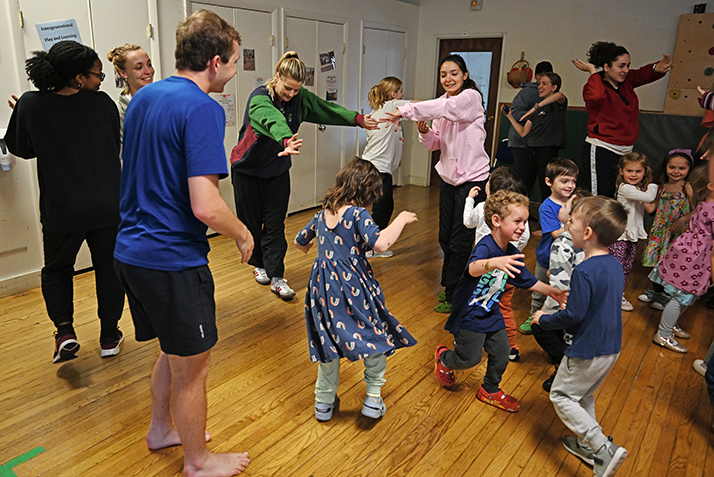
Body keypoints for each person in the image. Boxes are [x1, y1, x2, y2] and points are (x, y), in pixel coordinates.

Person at [113, 10, 253, 476]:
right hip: (171, 258)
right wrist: (243, 233)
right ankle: (198, 461)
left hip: (130, 253)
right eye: (234, 62)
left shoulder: (143, 98)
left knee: (172, 353)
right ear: (215, 62)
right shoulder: (203, 108)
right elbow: (206, 205)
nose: (234, 70)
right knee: (193, 367)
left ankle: (162, 430)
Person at [5, 40, 125, 363]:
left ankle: (65, 332)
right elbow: (114, 145)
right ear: (78, 78)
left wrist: (24, 115)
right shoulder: (103, 105)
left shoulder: (31, 104)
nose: (101, 80)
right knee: (109, 271)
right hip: (106, 207)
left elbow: (22, 148)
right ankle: (110, 336)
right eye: (97, 75)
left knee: (57, 270)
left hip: (62, 211)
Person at [230, 51, 378, 301]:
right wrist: (286, 139)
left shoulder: (300, 98)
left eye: (296, 90)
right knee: (251, 223)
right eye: (287, 88)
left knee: (275, 225)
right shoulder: (259, 99)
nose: (291, 94)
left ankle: (277, 277)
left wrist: (358, 119)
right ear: (276, 77)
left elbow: (325, 110)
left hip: (276, 172)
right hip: (246, 171)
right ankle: (260, 265)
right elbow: (273, 120)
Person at [294, 158, 418, 421]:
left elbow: (299, 243)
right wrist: (402, 219)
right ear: (367, 191)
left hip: (322, 290)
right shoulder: (358, 214)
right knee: (373, 335)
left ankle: (323, 403)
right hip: (353, 288)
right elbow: (381, 244)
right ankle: (373, 399)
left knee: (328, 340)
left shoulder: (321, 214)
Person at [434, 190, 567, 413]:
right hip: (470, 315)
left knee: (502, 353)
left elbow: (528, 280)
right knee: (469, 359)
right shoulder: (486, 246)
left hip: (491, 312)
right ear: (496, 221)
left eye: (525, 221)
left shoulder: (511, 252)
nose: (523, 227)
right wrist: (494, 263)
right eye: (517, 221)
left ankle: (490, 388)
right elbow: (473, 268)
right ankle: (444, 358)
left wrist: (553, 291)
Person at [382, 54, 490, 313]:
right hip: (449, 181)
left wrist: (404, 110)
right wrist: (424, 131)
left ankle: (457, 293)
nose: (448, 79)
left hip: (472, 181)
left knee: (461, 240)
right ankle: (450, 286)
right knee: (445, 238)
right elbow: (436, 143)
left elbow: (449, 109)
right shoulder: (442, 103)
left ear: (464, 75)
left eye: (454, 73)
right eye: (443, 75)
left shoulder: (471, 98)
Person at [532, 195, 628, 477]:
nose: (567, 225)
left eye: (571, 221)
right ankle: (589, 446)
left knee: (561, 395)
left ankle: (601, 448)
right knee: (584, 396)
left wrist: (543, 319)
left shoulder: (584, 270)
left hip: (586, 348)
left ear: (586, 233)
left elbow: (573, 316)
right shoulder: (613, 264)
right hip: (610, 347)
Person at [573, 41, 672, 197]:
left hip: (625, 150)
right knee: (600, 196)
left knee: (619, 196)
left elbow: (642, 74)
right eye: (621, 66)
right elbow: (597, 96)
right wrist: (592, 71)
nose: (626, 70)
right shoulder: (593, 86)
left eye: (628, 65)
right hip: (602, 148)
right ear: (606, 67)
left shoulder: (627, 81)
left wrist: (656, 68)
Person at [463, 167, 531, 361]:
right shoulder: (520, 220)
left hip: (480, 269)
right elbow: (522, 241)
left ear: (490, 192)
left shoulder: (482, 207)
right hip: (507, 271)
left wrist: (469, 200)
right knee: (503, 308)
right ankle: (510, 348)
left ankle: (468, 342)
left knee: (473, 305)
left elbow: (468, 222)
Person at [531, 188, 592, 392]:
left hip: (563, 302)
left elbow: (559, 287)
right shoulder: (589, 240)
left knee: (538, 324)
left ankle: (562, 365)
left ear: (573, 216)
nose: (562, 205)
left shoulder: (562, 241)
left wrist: (548, 310)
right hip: (584, 301)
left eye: (566, 205)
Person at [649, 165, 713, 354]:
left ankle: (670, 324)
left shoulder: (704, 203)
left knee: (682, 296)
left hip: (687, 252)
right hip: (695, 258)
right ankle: (664, 333)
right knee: (682, 297)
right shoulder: (712, 208)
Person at [521, 158, 578, 334]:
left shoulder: (575, 203)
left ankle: (555, 319)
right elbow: (554, 233)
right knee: (540, 291)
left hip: (568, 257)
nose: (570, 185)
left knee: (562, 290)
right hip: (547, 257)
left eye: (573, 181)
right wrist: (575, 225)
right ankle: (534, 318)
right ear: (548, 182)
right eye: (564, 181)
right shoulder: (547, 206)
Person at [638, 150, 693, 310]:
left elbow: (699, 210)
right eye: (672, 167)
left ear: (689, 169)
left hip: (677, 234)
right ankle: (657, 292)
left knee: (671, 264)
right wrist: (638, 195)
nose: (676, 172)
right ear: (666, 167)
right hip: (659, 231)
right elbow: (651, 208)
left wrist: (683, 219)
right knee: (655, 262)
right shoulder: (660, 186)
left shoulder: (688, 188)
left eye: (682, 168)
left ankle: (666, 296)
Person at [361, 76, 410, 258]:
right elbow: (416, 105)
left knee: (380, 207)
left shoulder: (376, 113)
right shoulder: (390, 106)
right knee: (383, 208)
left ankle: (370, 244)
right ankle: (371, 247)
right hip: (377, 170)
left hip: (372, 167)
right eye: (400, 91)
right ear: (393, 94)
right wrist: (445, 102)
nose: (403, 95)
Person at [504, 72, 568, 202]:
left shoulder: (557, 104)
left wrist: (536, 107)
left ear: (554, 87)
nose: (539, 86)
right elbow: (523, 132)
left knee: (546, 185)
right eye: (539, 84)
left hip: (547, 150)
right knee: (525, 183)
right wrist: (510, 116)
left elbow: (560, 96)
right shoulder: (536, 108)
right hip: (530, 149)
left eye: (544, 84)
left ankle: (547, 216)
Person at [610, 153, 657, 311]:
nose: (634, 175)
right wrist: (655, 186)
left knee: (626, 266)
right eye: (630, 171)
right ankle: (613, 295)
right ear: (621, 171)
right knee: (617, 267)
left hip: (631, 235)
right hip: (620, 235)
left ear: (644, 171)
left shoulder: (637, 189)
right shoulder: (626, 188)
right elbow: (650, 196)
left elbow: (650, 207)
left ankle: (617, 294)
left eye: (638, 171)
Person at [508, 61, 553, 199]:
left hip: (534, 144)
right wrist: (534, 113)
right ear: (537, 76)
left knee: (532, 181)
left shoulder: (550, 95)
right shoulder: (528, 92)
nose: (545, 82)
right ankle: (516, 213)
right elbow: (515, 112)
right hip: (521, 143)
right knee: (524, 181)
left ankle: (524, 212)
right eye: (543, 77)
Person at [107, 43, 155, 140]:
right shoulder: (119, 112)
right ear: (123, 73)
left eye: (149, 64)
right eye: (139, 67)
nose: (148, 71)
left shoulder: (165, 100)